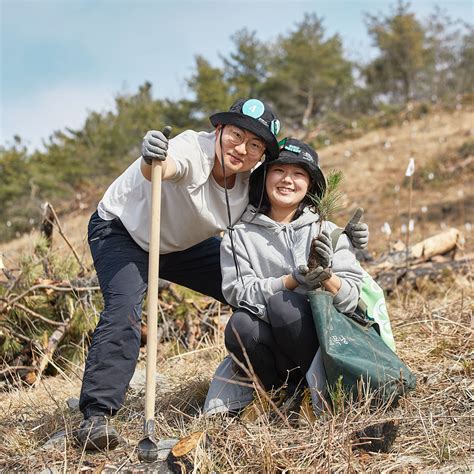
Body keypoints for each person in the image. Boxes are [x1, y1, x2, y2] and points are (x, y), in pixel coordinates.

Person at [77, 98, 368, 450]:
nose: (241, 148)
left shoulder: (248, 184)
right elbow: (164, 166)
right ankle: (97, 416)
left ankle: (281, 376)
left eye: (255, 145)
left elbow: (285, 223)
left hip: (183, 246)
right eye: (236, 135)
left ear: (262, 155)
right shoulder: (191, 150)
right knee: (124, 308)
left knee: (246, 287)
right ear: (219, 130)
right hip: (126, 231)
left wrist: (344, 241)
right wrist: (151, 156)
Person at [204, 138, 363, 416]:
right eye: (279, 171)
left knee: (284, 307)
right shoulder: (239, 235)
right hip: (274, 348)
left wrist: (325, 277)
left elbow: (351, 299)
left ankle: (323, 394)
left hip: (323, 347)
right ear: (264, 177)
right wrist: (290, 281)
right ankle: (281, 394)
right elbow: (237, 292)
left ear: (311, 185)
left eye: (299, 174)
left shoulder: (328, 231)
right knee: (241, 325)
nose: (287, 180)